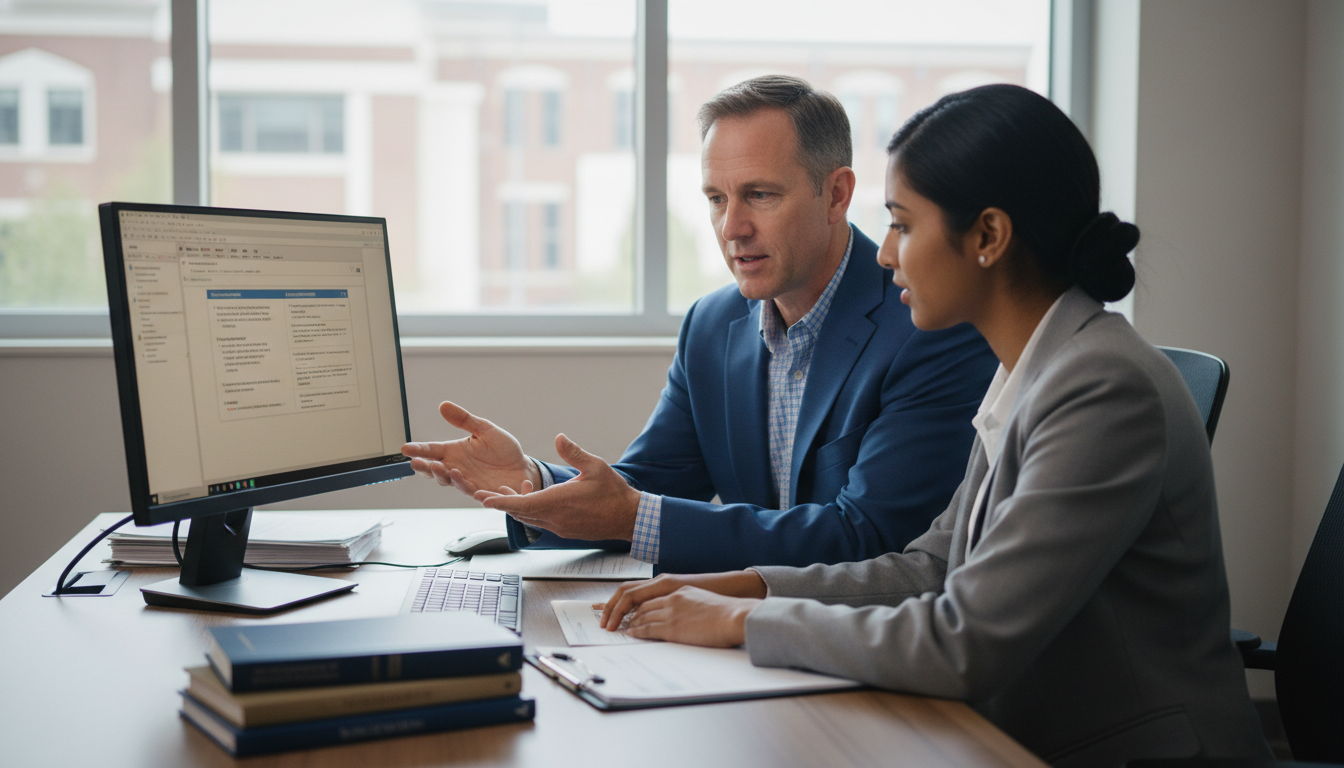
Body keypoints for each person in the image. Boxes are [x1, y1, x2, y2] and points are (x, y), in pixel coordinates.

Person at [598, 84, 1272, 766]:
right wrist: (748, 584)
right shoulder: (1031, 369)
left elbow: (964, 641)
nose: (885, 253)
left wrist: (745, 621)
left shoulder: (1104, 390)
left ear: (987, 237)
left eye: (903, 224)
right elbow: (931, 567)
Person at [402, 75, 996, 574]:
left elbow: (870, 539)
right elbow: (644, 488)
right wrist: (531, 483)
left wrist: (633, 516)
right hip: (746, 640)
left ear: (836, 193)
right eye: (716, 198)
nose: (732, 227)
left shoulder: (930, 324)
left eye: (759, 195)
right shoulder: (713, 325)